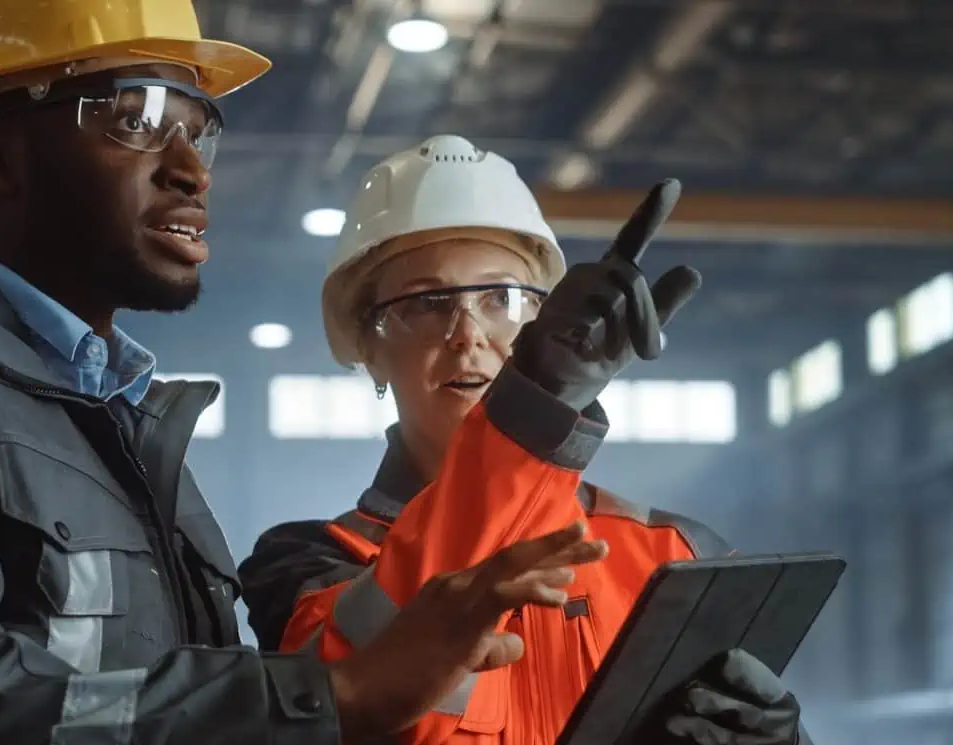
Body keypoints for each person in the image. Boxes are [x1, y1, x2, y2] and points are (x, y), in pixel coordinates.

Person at [0, 4, 613, 745]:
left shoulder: (125, 433)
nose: (191, 169)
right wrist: (331, 697)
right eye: (133, 117)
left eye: (197, 128)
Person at [238, 135, 812, 745]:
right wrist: (534, 407)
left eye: (501, 299)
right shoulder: (310, 566)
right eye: (427, 303)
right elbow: (345, 696)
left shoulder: (674, 554)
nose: (469, 335)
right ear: (370, 350)